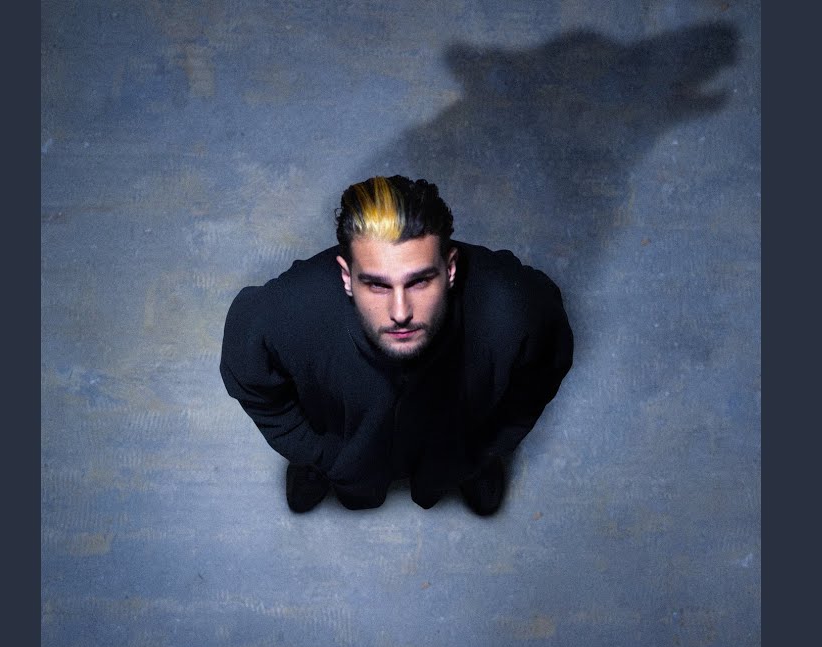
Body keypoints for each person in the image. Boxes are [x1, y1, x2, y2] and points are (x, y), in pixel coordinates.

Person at [220, 175, 572, 514]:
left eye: (419, 282)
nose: (400, 313)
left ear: (450, 269)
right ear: (347, 277)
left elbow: (540, 376)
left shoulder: (517, 307)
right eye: (377, 285)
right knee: (341, 474)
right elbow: (249, 378)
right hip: (342, 438)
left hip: (455, 442)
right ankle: (320, 473)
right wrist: (317, 454)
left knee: (461, 462)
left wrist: (482, 450)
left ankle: (469, 470)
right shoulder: (285, 312)